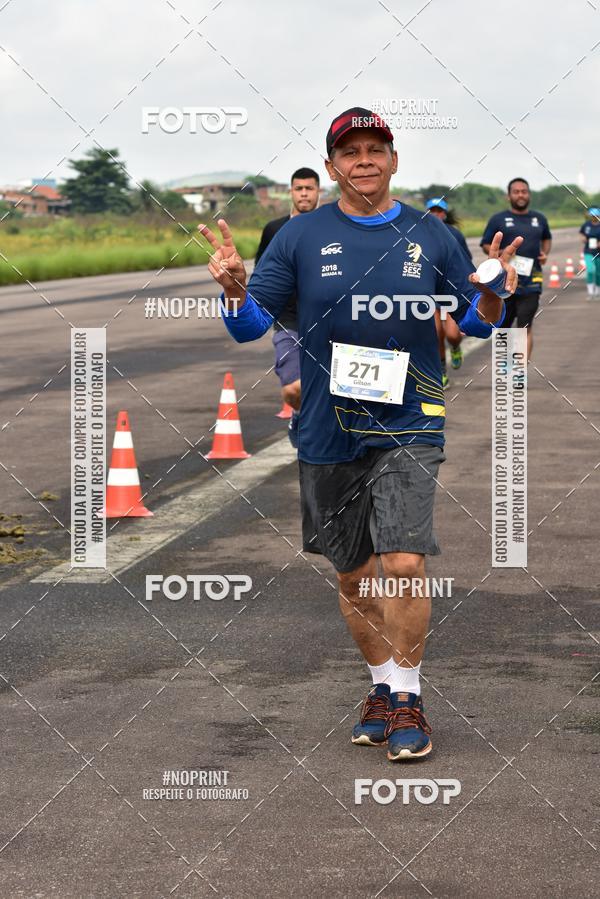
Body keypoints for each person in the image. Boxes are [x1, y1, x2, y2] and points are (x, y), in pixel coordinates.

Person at [199, 107, 520, 762]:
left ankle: (408, 695)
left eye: (377, 148)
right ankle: (379, 684)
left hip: (410, 419)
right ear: (332, 165)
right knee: (354, 576)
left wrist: (493, 294)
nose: (365, 160)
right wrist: (234, 289)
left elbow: (478, 320)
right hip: (325, 426)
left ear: (394, 161)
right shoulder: (298, 236)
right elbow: (248, 325)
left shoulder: (430, 235)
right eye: (351, 152)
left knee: (403, 562)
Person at [255, 168, 320, 443]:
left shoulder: (331, 226)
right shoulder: (274, 229)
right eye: (298, 188)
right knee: (295, 389)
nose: (304, 193)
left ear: (319, 192)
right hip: (288, 319)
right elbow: (262, 273)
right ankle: (298, 415)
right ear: (290, 192)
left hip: (328, 320)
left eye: (309, 188)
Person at [481, 178, 551, 360]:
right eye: (516, 191)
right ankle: (505, 370)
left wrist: (545, 253)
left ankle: (518, 371)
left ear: (529, 194)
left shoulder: (539, 219)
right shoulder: (498, 219)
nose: (521, 195)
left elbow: (547, 238)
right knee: (503, 327)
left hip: (531, 281)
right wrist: (499, 253)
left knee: (524, 326)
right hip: (504, 283)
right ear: (509, 195)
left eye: (524, 191)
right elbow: (486, 244)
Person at [425, 197, 471, 386]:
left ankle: (455, 347)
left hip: (451, 291)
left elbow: (465, 261)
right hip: (431, 292)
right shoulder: (419, 233)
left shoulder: (455, 234)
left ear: (444, 214)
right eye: (432, 211)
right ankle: (442, 371)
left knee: (452, 334)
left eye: (439, 211)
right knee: (435, 333)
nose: (435, 214)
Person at [579, 207, 600, 299]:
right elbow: (582, 233)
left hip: (598, 252)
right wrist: (583, 238)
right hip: (588, 251)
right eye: (592, 216)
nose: (594, 217)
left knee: (598, 273)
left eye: (596, 215)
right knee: (591, 270)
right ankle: (591, 292)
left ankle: (597, 292)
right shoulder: (586, 225)